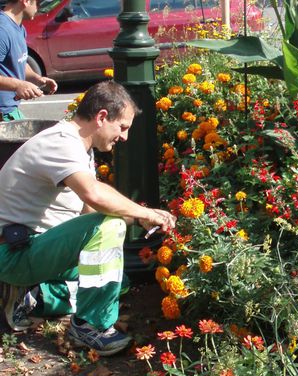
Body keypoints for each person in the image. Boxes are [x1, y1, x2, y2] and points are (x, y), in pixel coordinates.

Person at [0, 80, 176, 355]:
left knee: (116, 282)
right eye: (123, 127)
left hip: (36, 248)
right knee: (111, 227)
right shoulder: (61, 143)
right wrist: (144, 212)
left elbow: (89, 212)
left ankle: (34, 297)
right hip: (14, 253)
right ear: (102, 117)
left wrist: (133, 217)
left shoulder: (81, 147)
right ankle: (88, 326)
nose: (125, 137)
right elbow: (93, 195)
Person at [0, 0, 58, 121]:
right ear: (25, 1)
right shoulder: (2, 31)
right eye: (38, 3)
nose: (39, 8)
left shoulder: (19, 27)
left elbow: (19, 60)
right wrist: (18, 85)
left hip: (10, 110)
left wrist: (36, 78)